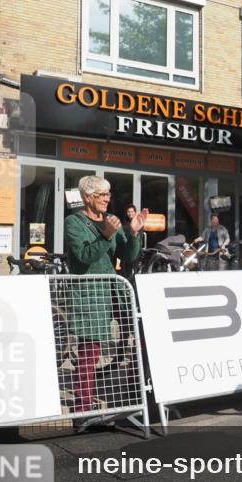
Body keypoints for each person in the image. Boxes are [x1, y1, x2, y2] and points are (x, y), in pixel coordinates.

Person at [64, 175, 147, 413]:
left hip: (114, 291)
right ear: (87, 197)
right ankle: (84, 407)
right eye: (101, 194)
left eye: (108, 194)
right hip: (89, 294)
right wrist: (106, 235)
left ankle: (135, 396)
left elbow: (128, 255)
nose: (106, 199)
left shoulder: (110, 219)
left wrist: (133, 234)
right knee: (90, 352)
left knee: (135, 340)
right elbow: (85, 256)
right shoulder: (74, 222)